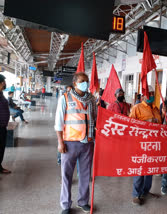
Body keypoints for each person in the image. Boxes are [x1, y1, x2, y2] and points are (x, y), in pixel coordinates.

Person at [55, 72, 97, 214]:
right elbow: (58, 123)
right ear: (75, 83)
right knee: (66, 175)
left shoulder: (92, 99)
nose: (85, 83)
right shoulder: (65, 98)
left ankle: (83, 202)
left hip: (88, 143)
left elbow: (96, 119)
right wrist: (60, 142)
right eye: (82, 81)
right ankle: (66, 205)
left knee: (85, 174)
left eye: (87, 81)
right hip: (70, 143)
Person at [129, 85, 165, 206]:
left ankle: (146, 191)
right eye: (148, 93)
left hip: (153, 144)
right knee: (140, 169)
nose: (150, 95)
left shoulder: (155, 109)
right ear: (143, 95)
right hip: (140, 143)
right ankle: (136, 194)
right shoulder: (136, 108)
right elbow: (130, 125)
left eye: (152, 93)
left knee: (150, 169)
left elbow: (160, 125)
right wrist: (147, 123)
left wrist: (163, 116)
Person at [0, 74, 11, 174]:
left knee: (1, 148)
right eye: (3, 81)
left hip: (2, 127)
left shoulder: (1, 93)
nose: (4, 83)